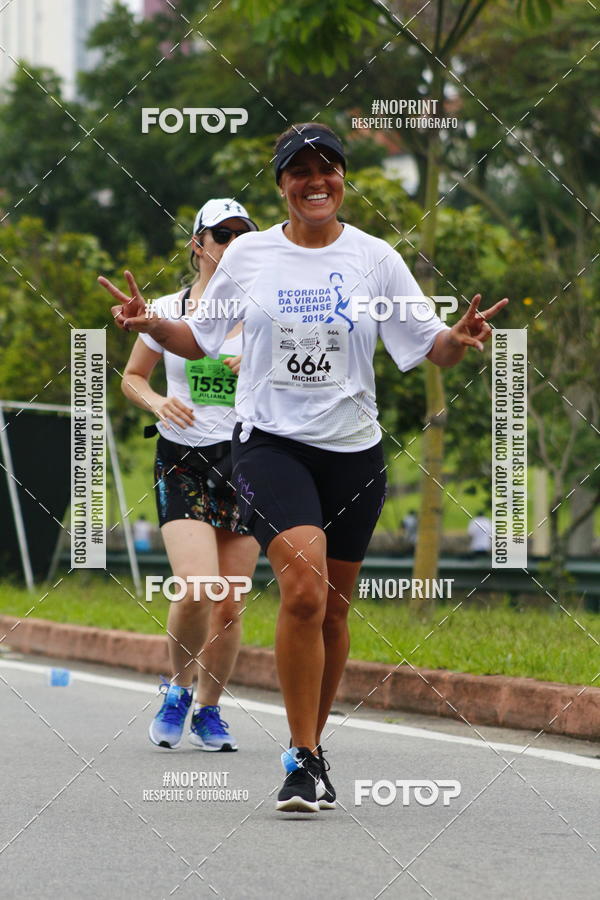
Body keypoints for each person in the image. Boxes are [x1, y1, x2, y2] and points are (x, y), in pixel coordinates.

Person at [100, 123, 508, 812]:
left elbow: (428, 348)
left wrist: (458, 339)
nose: (315, 181)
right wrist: (150, 325)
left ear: (343, 178)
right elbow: (195, 338)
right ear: (282, 184)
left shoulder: (375, 259)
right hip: (268, 445)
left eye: (328, 168)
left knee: (335, 614)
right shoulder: (251, 257)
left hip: (354, 452)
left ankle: (313, 752)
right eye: (300, 171)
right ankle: (301, 757)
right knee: (305, 592)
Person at [117, 198, 260, 752]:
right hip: (182, 460)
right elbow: (132, 376)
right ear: (198, 245)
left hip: (246, 459)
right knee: (199, 588)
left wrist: (258, 365)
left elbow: (304, 374)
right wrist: (156, 402)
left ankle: (209, 709)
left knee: (229, 603)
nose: (232, 245)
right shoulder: (166, 308)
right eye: (221, 235)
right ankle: (177, 688)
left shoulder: (263, 313)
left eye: (243, 236)